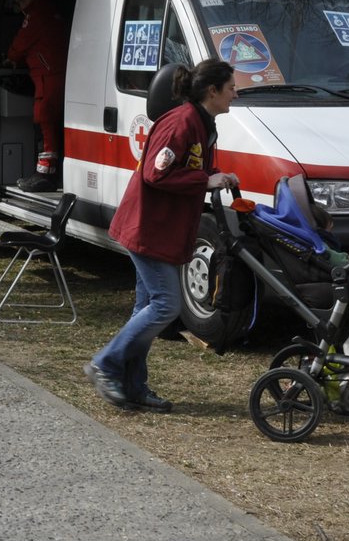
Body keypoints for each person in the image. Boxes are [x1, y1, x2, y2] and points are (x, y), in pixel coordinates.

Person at [86, 58, 241, 413]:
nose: (235, 92)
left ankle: (133, 387)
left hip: (160, 229)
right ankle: (105, 364)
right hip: (148, 228)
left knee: (147, 309)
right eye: (231, 87)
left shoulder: (202, 123)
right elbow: (156, 175)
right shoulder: (183, 122)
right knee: (166, 305)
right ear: (212, 91)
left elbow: (190, 165)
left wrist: (216, 174)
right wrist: (206, 180)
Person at [3, 0, 69, 191]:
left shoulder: (35, 16)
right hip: (55, 73)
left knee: (44, 118)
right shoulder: (51, 11)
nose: (19, 6)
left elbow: (21, 43)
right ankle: (48, 171)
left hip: (47, 76)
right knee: (51, 120)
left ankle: (45, 173)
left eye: (20, 0)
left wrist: (11, 58)